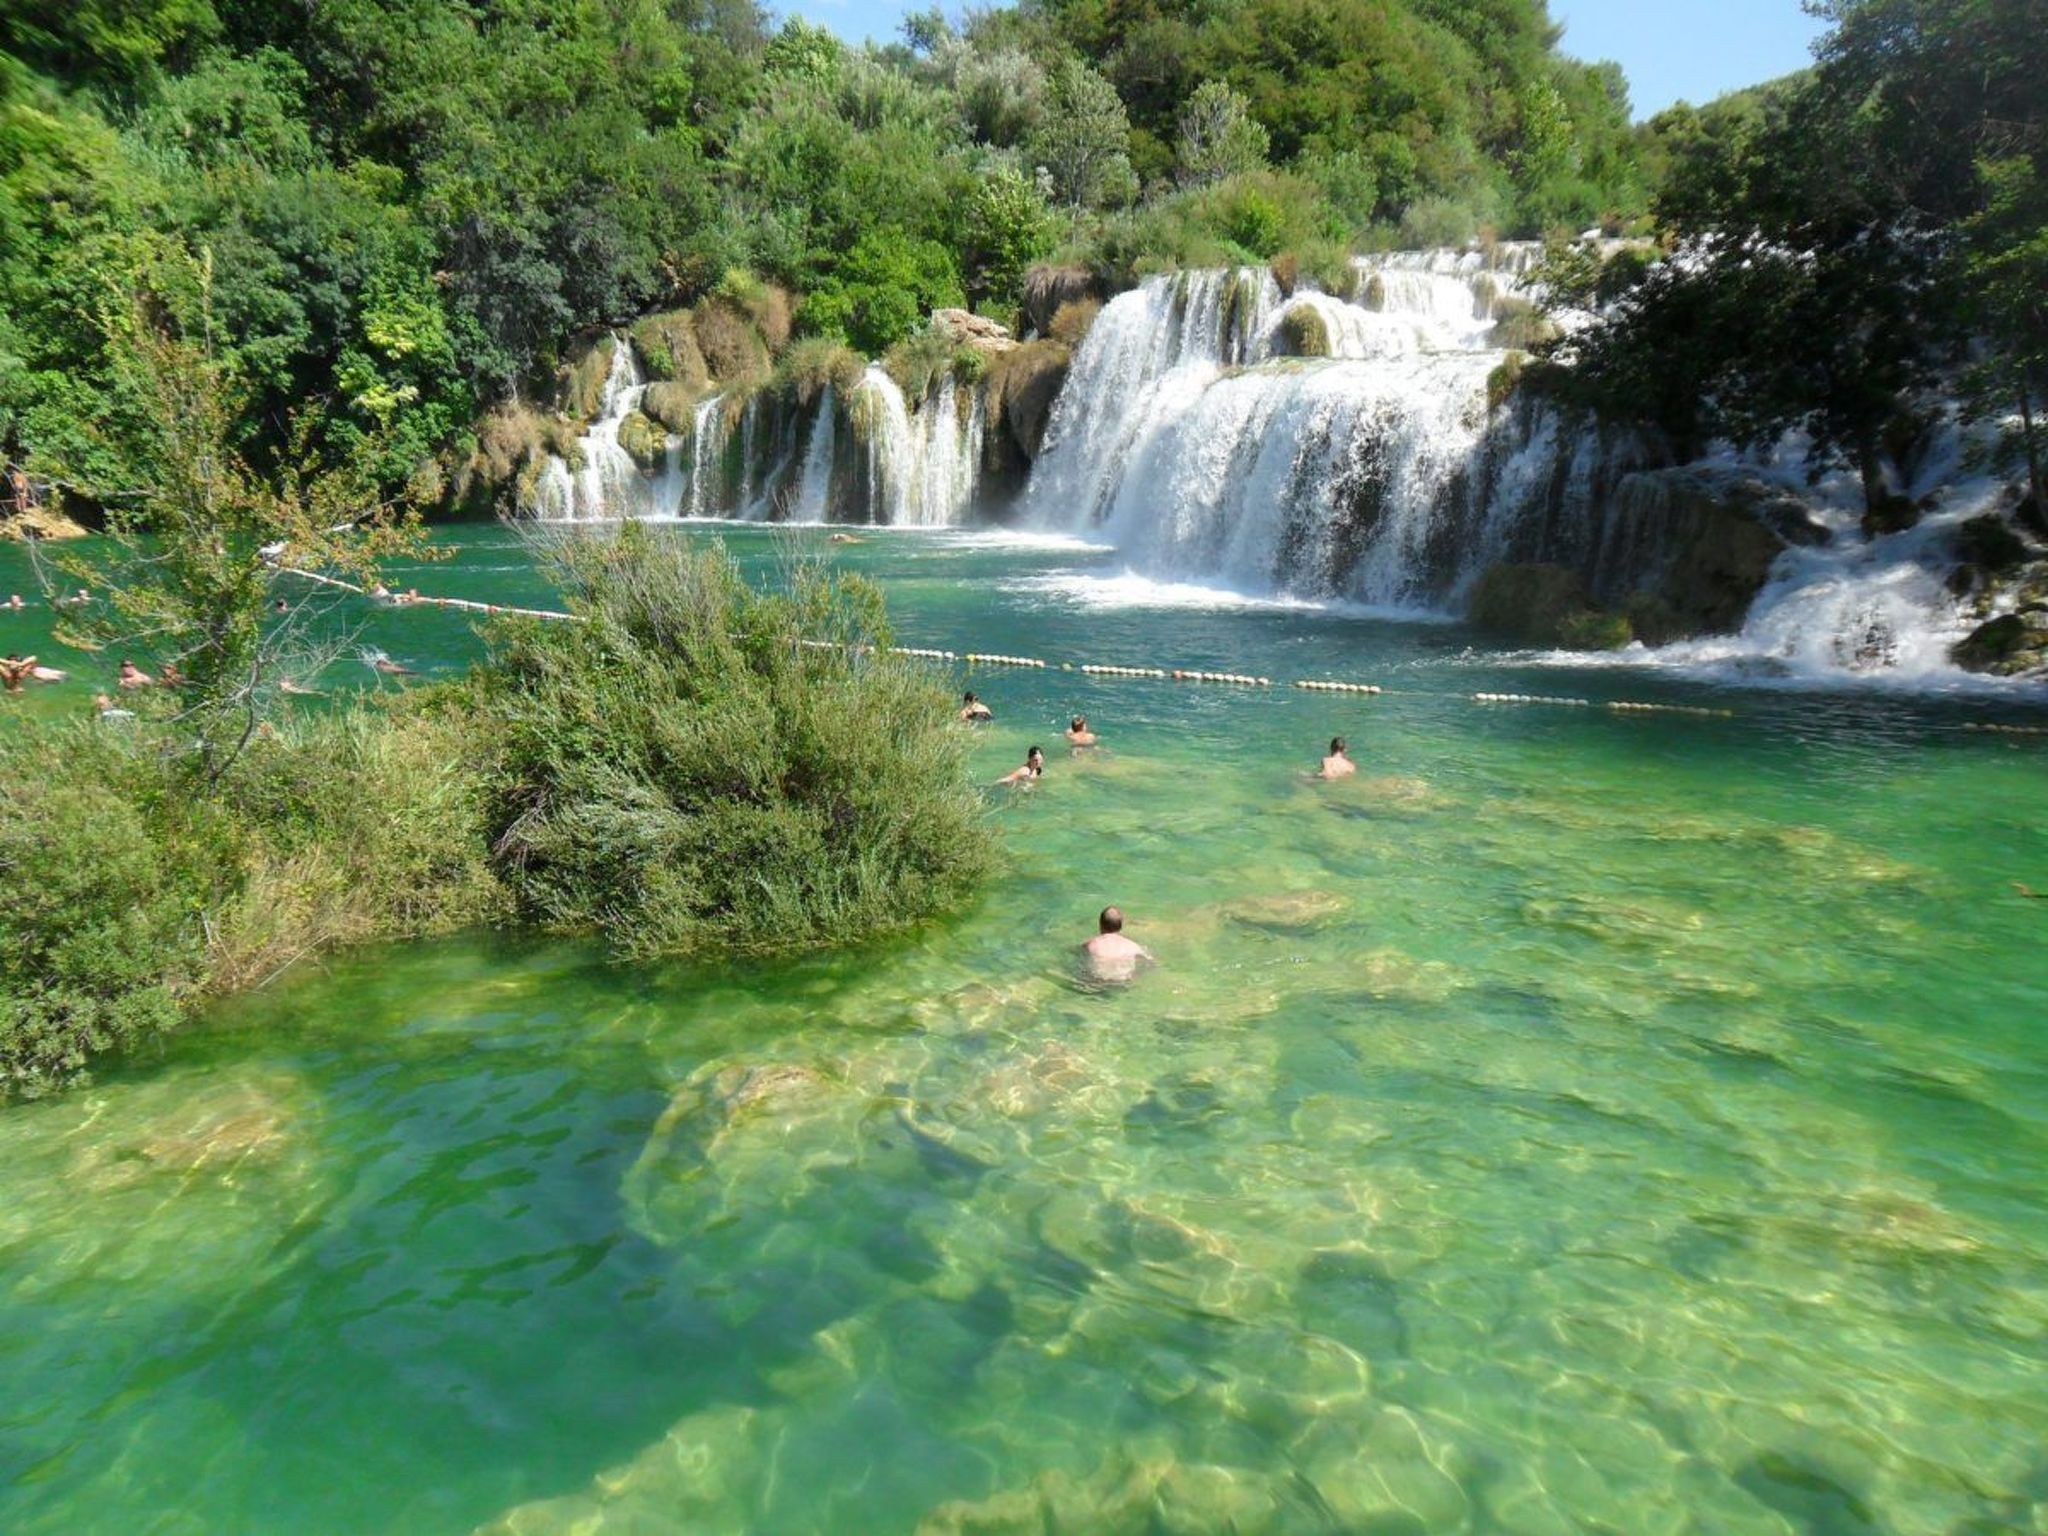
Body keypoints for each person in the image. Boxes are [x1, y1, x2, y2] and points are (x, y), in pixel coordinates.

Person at [1082, 906, 1153, 982]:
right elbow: (1151, 963)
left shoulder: (1091, 943)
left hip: (1098, 980)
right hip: (1123, 981)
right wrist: (1136, 976)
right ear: (1120, 926)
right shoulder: (1133, 946)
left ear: (1100, 925)